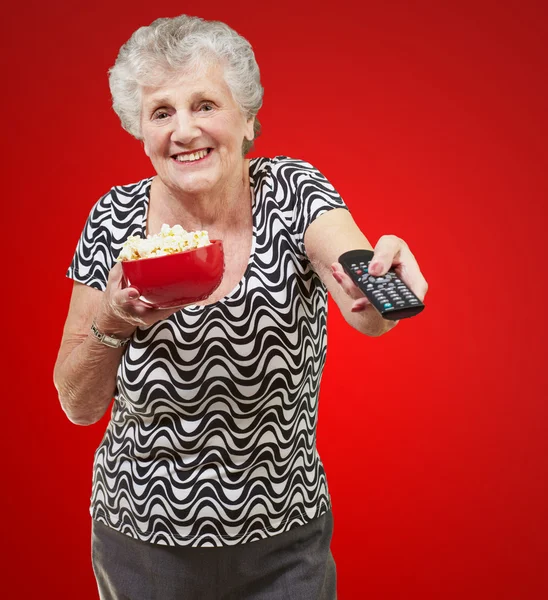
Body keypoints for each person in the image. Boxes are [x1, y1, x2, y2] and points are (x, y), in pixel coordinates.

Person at [54, 14, 428, 600]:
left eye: (205, 104)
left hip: (286, 545)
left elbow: (364, 300)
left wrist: (382, 282)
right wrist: (115, 318)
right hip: (141, 543)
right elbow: (77, 404)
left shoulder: (294, 192)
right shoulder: (114, 218)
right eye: (161, 113)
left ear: (247, 117)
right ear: (140, 131)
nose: (184, 130)